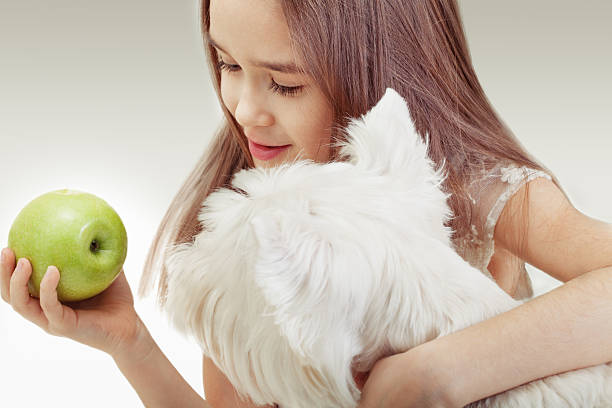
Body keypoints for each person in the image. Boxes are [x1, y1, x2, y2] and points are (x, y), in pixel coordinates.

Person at [2, 0, 612, 407]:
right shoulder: (253, 231)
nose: (242, 108)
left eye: (286, 83)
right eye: (226, 63)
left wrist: (437, 374)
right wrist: (129, 343)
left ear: (383, 68)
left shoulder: (476, 191)